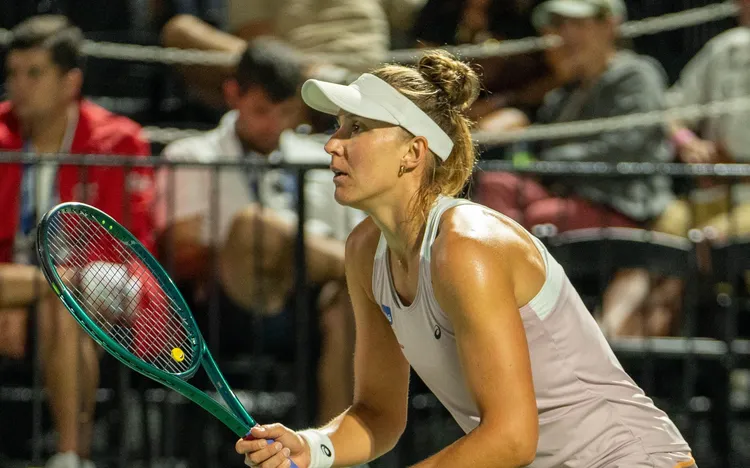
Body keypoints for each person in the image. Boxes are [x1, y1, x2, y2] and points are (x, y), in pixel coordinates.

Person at [234, 50, 696, 468]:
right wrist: (314, 447)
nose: (332, 143)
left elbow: (511, 438)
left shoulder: (467, 244)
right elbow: (377, 414)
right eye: (337, 126)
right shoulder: (364, 249)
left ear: (413, 152)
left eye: (356, 128)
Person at [156, 38, 359, 425]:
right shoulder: (190, 155)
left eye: (286, 112)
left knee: (347, 305)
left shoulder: (318, 156)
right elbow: (177, 256)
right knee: (253, 225)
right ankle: (387, 274)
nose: (275, 125)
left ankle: (335, 453)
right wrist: (266, 245)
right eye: (263, 111)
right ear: (233, 94)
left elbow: (350, 234)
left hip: (309, 299)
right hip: (229, 304)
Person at [0, 15, 155, 468]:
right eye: (12, 74)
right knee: (54, 294)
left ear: (71, 82)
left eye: (34, 74)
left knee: (65, 297)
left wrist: (29, 288)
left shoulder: (119, 139)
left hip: (103, 284)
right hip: (26, 282)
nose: (18, 86)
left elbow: (125, 246)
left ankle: (71, 456)